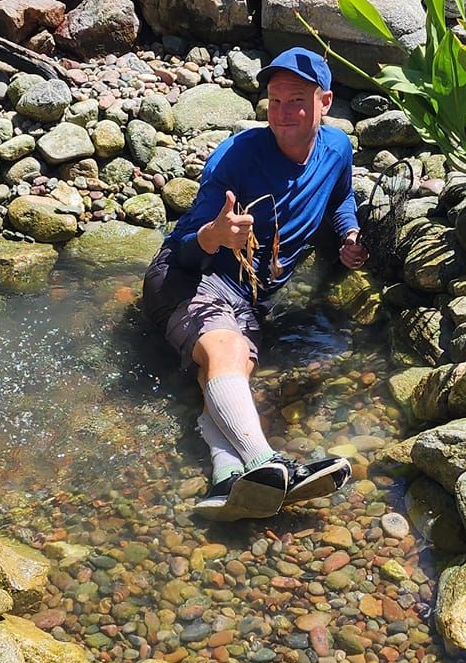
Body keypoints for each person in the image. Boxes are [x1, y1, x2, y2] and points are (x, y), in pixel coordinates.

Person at [141, 47, 369, 520]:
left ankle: (227, 477)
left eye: (297, 101)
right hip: (191, 277)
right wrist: (215, 235)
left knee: (227, 374)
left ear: (325, 102)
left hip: (250, 298)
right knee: (225, 349)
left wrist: (349, 233)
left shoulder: (337, 150)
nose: (282, 113)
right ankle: (268, 461)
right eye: (275, 101)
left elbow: (341, 198)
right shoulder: (236, 158)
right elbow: (184, 247)